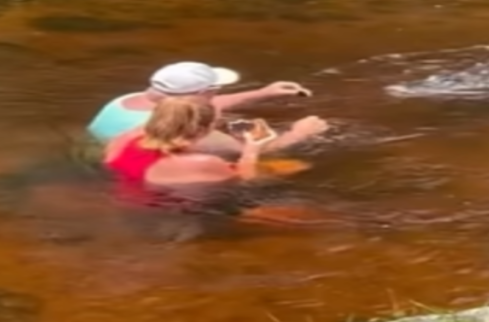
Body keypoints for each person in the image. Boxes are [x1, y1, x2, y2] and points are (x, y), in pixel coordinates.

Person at [105, 96, 329, 226]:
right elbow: (247, 180)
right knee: (314, 217)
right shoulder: (202, 163)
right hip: (176, 210)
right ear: (203, 130)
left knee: (293, 166)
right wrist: (253, 147)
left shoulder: (126, 137)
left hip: (129, 197)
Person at [87, 61, 323, 153]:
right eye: (215, 89)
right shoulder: (185, 128)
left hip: (105, 158)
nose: (217, 93)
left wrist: (263, 93)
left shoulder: (128, 99)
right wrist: (300, 132)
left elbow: (201, 105)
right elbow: (258, 151)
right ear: (202, 94)